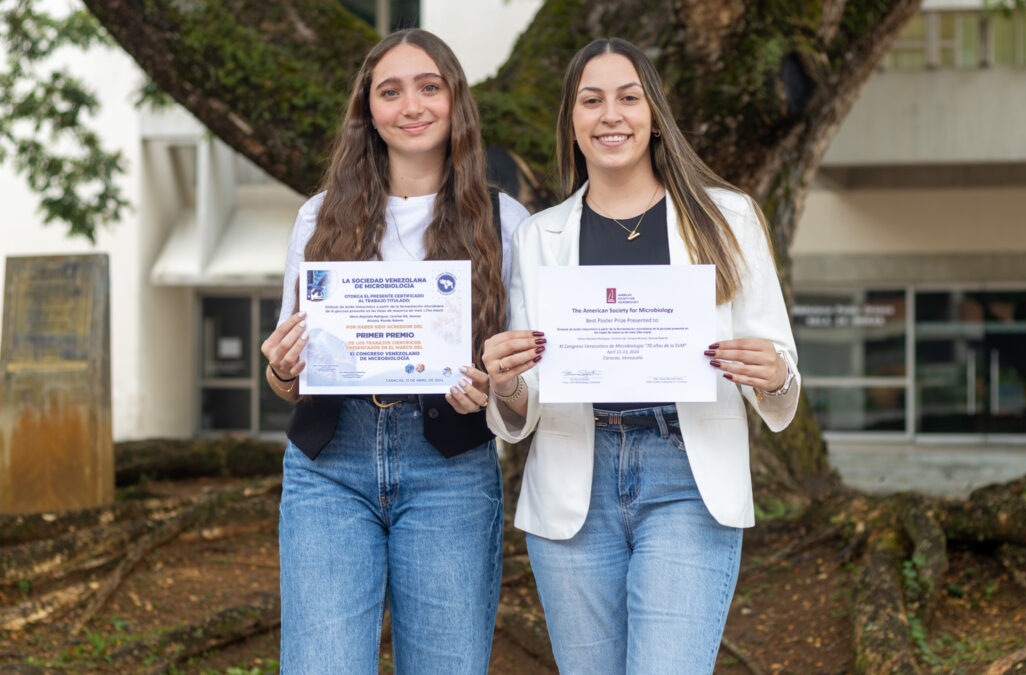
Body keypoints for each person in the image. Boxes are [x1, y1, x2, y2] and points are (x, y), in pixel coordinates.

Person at [482, 38, 801, 674]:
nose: (611, 116)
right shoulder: (538, 235)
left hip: (687, 478)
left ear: (653, 113)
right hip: (575, 482)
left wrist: (773, 375)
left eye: (629, 98)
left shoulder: (727, 218)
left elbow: (780, 364)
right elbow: (523, 404)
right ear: (571, 121)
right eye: (591, 101)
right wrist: (506, 381)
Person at [260, 29, 529, 674]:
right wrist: (281, 367)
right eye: (390, 91)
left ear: (454, 100)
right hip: (329, 465)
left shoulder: (507, 222)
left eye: (428, 86)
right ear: (369, 112)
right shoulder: (320, 217)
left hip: (450, 467)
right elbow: (286, 381)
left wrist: (493, 388)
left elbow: (521, 383)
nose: (411, 105)